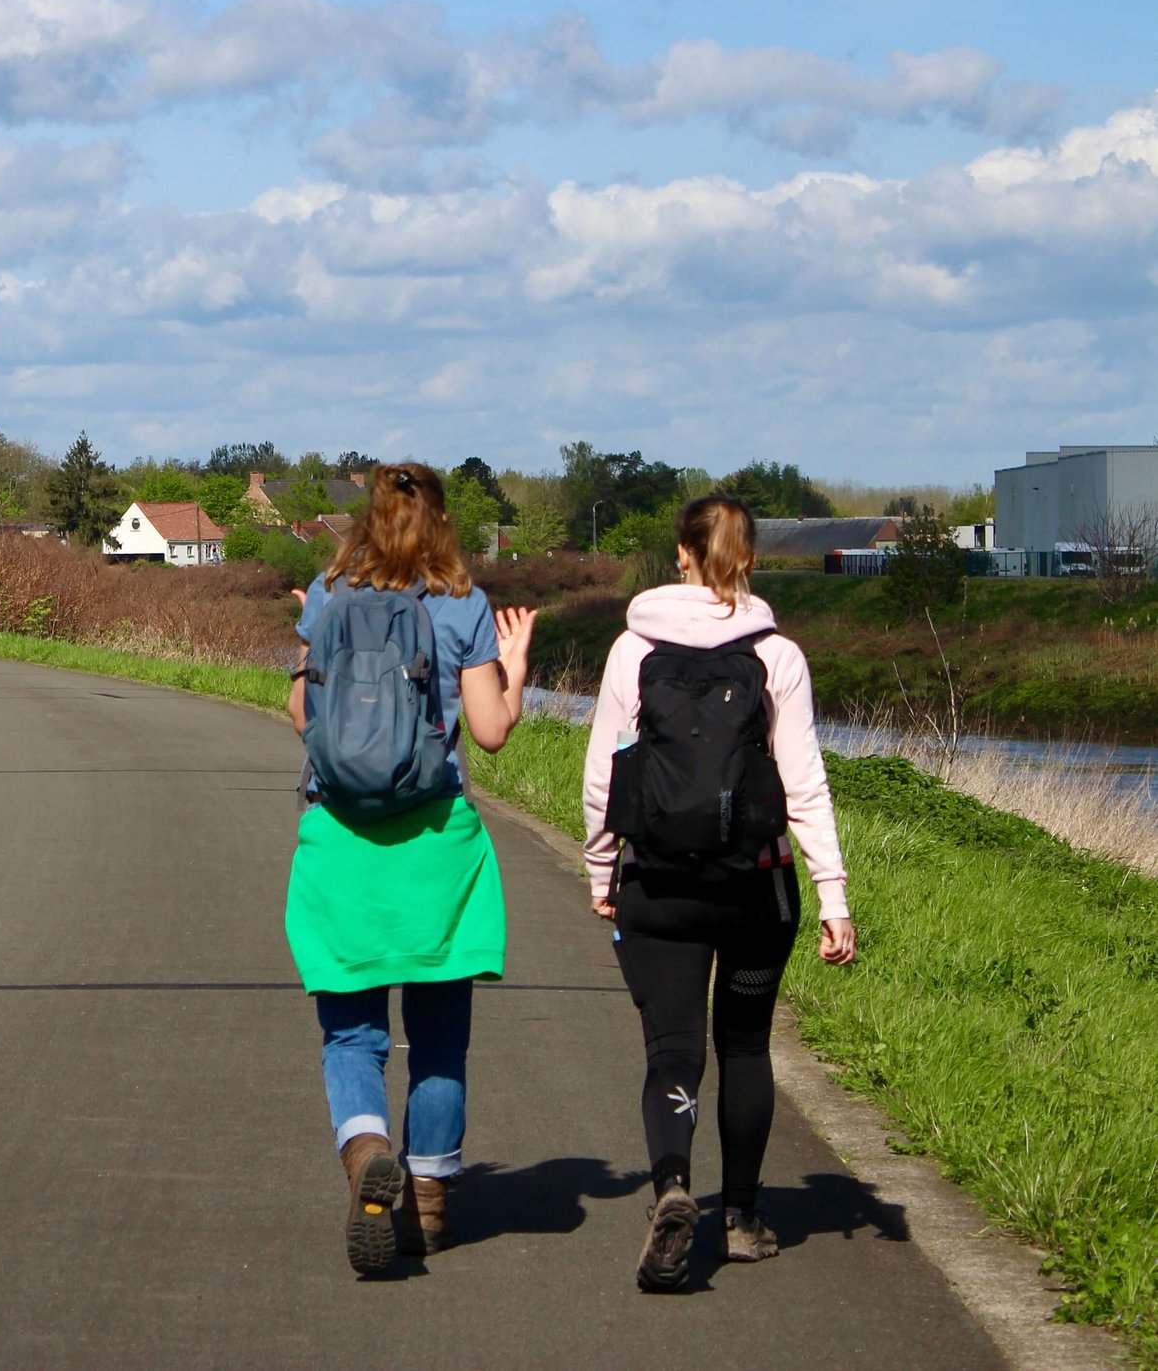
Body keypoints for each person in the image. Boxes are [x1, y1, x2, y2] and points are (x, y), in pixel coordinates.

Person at [581, 496, 856, 1292]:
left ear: (681, 555)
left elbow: (605, 776)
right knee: (744, 1045)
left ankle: (671, 1184)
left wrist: (603, 872)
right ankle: (739, 1219)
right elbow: (804, 784)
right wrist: (832, 895)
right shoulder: (778, 655)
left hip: (659, 885)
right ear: (751, 559)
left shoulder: (633, 648)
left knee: (672, 1046)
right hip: (756, 888)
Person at [284, 462, 536, 1275]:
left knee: (350, 1031)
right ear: (442, 520)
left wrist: (312, 643)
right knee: (438, 1036)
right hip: (434, 842)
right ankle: (428, 1204)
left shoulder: (330, 593)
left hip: (343, 840)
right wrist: (518, 669)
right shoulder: (462, 602)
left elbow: (301, 715)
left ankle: (365, 1150)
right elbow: (491, 730)